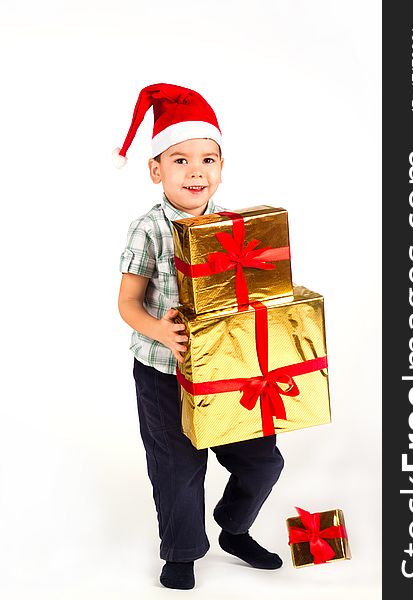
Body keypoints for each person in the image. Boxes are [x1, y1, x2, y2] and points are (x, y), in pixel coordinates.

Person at [115, 83, 284, 590]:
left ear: (221, 166)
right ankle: (183, 552)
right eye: (180, 160)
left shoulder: (234, 226)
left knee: (261, 459)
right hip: (166, 372)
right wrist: (160, 331)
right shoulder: (148, 228)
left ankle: (234, 529)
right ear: (155, 170)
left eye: (207, 159)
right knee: (177, 468)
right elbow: (126, 303)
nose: (195, 171)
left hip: (227, 369)